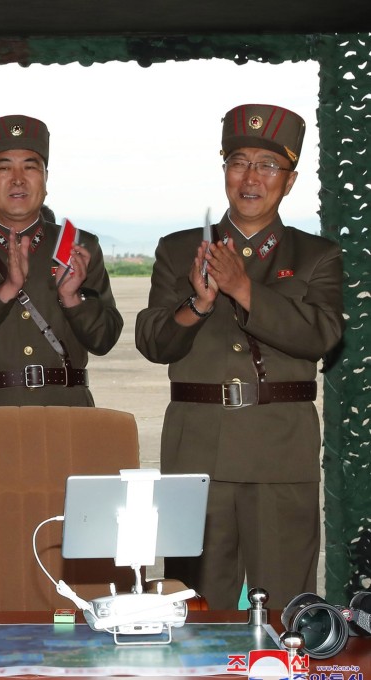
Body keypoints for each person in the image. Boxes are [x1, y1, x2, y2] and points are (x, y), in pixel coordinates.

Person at [135, 104, 344, 609]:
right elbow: (154, 341)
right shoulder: (179, 248)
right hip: (196, 447)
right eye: (238, 161)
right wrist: (199, 303)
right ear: (224, 170)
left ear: (289, 181)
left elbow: (322, 335)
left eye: (268, 166)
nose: (251, 178)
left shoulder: (315, 256)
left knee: (286, 607)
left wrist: (244, 289)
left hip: (279, 451)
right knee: (195, 606)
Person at [0, 115, 123, 407]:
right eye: (4, 167)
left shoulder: (76, 245)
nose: (18, 179)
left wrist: (73, 299)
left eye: (30, 167)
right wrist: (5, 290)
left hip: (68, 414)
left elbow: (104, 339)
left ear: (46, 179)